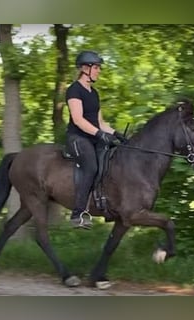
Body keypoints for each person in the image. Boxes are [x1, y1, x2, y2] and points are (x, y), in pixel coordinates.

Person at [65, 50, 127, 229]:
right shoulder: (74, 90)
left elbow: (100, 122)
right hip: (78, 138)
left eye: (99, 67)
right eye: (97, 67)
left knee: (111, 163)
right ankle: (78, 214)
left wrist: (116, 134)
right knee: (91, 167)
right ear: (85, 68)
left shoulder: (94, 93)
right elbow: (78, 119)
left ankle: (105, 205)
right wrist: (100, 135)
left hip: (93, 136)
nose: (99, 71)